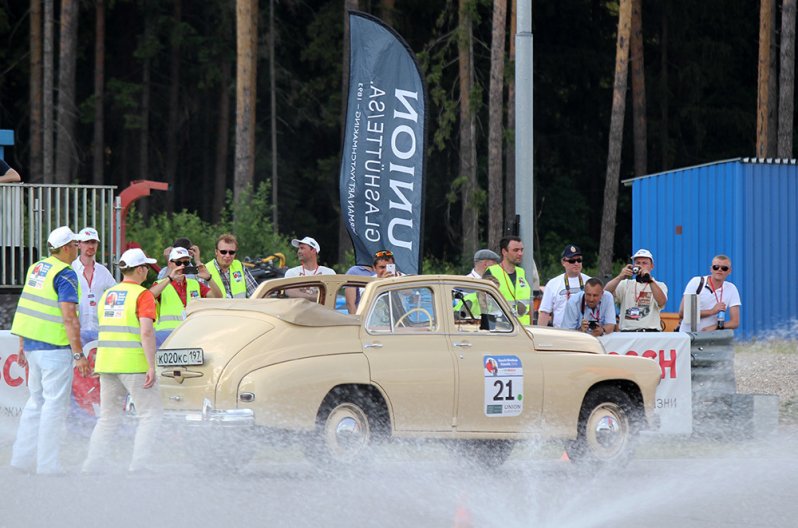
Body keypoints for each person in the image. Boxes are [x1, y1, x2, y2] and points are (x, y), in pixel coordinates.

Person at [9, 226, 89, 475]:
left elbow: (26, 307)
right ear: (65, 248)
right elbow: (69, 318)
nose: (78, 248)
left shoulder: (37, 268)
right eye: (75, 244)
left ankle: (20, 460)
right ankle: (48, 465)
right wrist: (78, 354)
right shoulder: (65, 274)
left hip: (33, 346)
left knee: (35, 404)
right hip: (54, 348)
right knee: (54, 407)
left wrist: (23, 344)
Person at [82, 248, 162, 473]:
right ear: (139, 270)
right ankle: (140, 465)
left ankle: (92, 465)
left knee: (108, 418)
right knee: (150, 415)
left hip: (107, 363)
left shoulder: (108, 294)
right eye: (146, 266)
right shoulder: (143, 295)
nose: (148, 271)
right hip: (133, 364)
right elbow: (146, 332)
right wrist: (151, 366)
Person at [150, 246, 222, 347]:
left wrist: (209, 278)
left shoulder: (195, 284)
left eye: (186, 263)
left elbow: (218, 297)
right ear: (170, 263)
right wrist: (170, 278)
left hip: (191, 333)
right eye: (178, 263)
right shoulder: (160, 284)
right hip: (166, 336)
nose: (182, 266)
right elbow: (149, 296)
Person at [605, 248, 668, 332]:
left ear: (652, 266)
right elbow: (605, 293)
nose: (641, 266)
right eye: (638, 263)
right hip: (628, 332)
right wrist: (620, 276)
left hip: (650, 332)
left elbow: (662, 302)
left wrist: (649, 280)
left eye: (644, 263)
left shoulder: (659, 285)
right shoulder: (625, 284)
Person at [72, 227, 117, 345]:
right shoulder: (70, 269)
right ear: (79, 244)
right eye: (87, 242)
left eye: (93, 242)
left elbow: (116, 294)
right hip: (75, 332)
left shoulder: (103, 271)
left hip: (99, 332)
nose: (91, 246)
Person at [678, 255, 741, 332]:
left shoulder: (731, 288)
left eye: (724, 268)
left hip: (711, 337)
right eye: (716, 267)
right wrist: (712, 311)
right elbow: (682, 313)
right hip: (688, 335)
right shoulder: (696, 282)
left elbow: (735, 322)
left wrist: (716, 326)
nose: (719, 270)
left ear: (729, 271)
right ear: (711, 269)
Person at [538, 244, 592, 328]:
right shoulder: (552, 284)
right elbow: (544, 312)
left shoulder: (591, 282)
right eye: (572, 261)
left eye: (579, 260)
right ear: (563, 262)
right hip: (562, 333)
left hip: (586, 333)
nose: (576, 263)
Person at [483, 236, 533, 325]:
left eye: (521, 250)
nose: (520, 253)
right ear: (504, 252)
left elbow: (528, 305)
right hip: (501, 328)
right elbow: (483, 303)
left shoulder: (521, 273)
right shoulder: (492, 272)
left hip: (524, 329)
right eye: (516, 250)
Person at [205, 233, 258, 298]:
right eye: (223, 252)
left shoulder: (239, 266)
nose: (227, 255)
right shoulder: (205, 270)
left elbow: (255, 294)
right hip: (217, 308)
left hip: (240, 308)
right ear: (216, 252)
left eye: (231, 252)